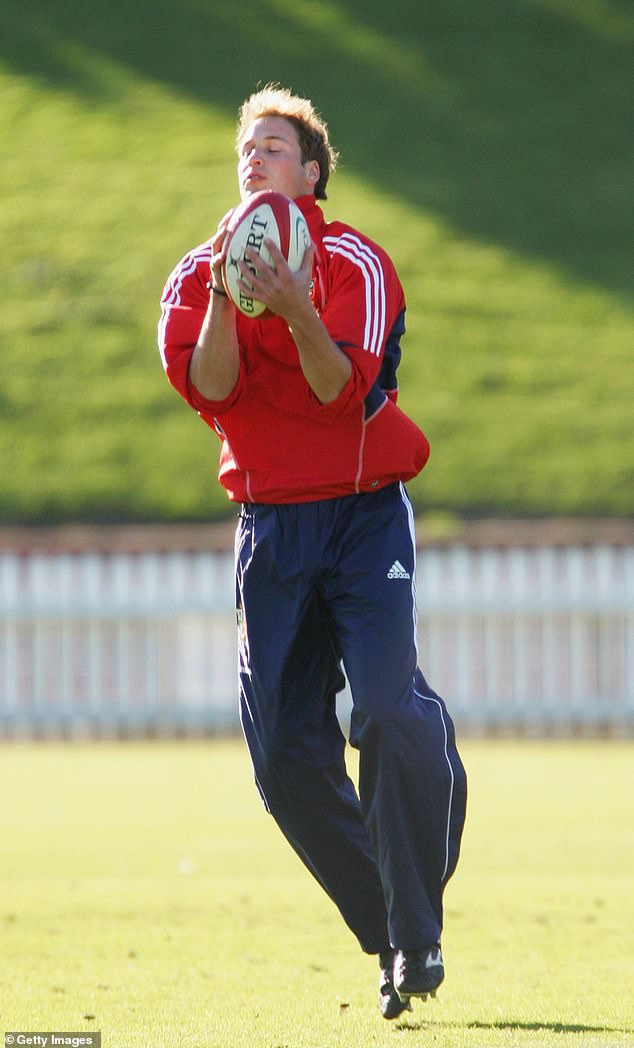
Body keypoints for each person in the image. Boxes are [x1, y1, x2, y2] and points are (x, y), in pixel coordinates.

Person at [158, 84, 467, 1020]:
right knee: (285, 765)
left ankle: (414, 936)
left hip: (364, 516)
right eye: (247, 149)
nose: (256, 160)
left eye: (277, 148)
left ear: (314, 172)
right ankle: (393, 928)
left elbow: (340, 390)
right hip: (272, 531)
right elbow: (211, 387)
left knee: (383, 712)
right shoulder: (197, 272)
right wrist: (227, 290)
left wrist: (292, 307)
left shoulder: (353, 263)